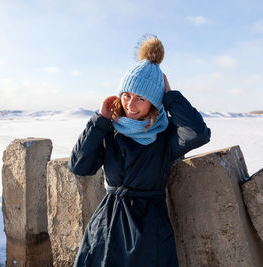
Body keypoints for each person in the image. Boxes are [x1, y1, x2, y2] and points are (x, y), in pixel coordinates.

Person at [68, 35, 211, 267]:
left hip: (148, 229)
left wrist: (170, 97)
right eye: (126, 95)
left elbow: (198, 134)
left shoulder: (165, 136)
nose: (130, 105)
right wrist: (99, 121)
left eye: (141, 98)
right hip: (107, 224)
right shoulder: (110, 130)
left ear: (154, 102)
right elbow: (79, 166)